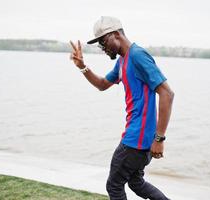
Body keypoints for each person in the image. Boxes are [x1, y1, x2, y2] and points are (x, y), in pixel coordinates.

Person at [70, 16, 174, 200]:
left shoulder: (137, 56)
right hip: (141, 140)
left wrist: (159, 138)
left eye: (103, 41)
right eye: (99, 44)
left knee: (114, 186)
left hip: (136, 140)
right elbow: (102, 84)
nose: (102, 47)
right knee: (136, 182)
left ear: (116, 35)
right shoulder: (122, 61)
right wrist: (82, 66)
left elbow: (167, 94)